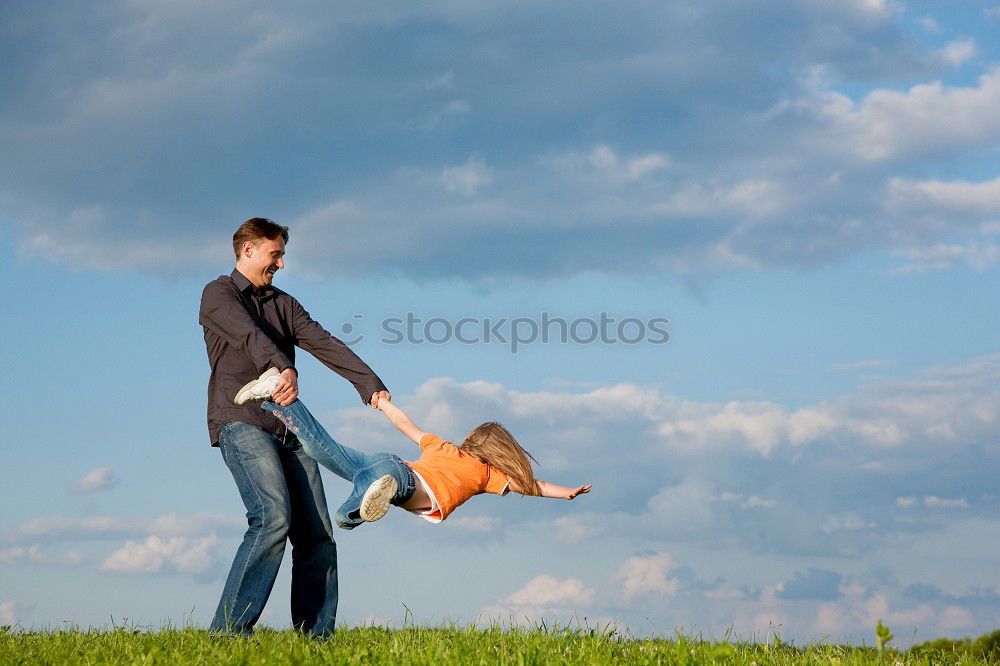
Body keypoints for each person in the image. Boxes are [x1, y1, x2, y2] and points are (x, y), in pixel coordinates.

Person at [199, 218, 390, 637]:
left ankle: (315, 639)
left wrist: (368, 383)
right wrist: (282, 365)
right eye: (276, 254)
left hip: (290, 429)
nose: (281, 264)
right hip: (242, 422)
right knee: (272, 517)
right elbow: (248, 336)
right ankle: (227, 635)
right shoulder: (218, 294)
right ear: (248, 250)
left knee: (318, 534)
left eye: (282, 255)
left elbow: (323, 342)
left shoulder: (285, 304)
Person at [234, 369, 591, 529]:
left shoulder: (445, 447)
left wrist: (382, 402)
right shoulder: (489, 475)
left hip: (386, 463)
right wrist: (567, 494)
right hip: (404, 481)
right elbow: (531, 485)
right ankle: (377, 495)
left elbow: (408, 426)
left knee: (320, 447)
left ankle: (278, 398)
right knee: (359, 506)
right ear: (500, 453)